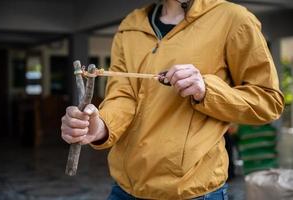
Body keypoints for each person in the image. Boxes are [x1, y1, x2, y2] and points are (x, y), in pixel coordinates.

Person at [61, 0, 284, 199]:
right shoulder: (131, 25)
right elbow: (123, 96)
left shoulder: (233, 19)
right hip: (125, 188)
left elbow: (268, 101)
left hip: (192, 192)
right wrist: (100, 126)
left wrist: (207, 90)